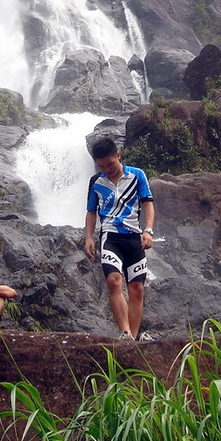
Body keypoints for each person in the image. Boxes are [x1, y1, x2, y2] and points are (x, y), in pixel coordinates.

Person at [84, 136, 156, 341]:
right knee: (113, 281)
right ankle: (125, 333)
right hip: (110, 237)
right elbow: (91, 211)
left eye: (110, 164)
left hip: (134, 236)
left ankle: (133, 337)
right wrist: (88, 237)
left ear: (118, 155)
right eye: (102, 166)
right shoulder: (96, 182)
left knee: (137, 288)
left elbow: (148, 203)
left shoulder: (137, 175)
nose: (107, 169)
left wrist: (148, 230)